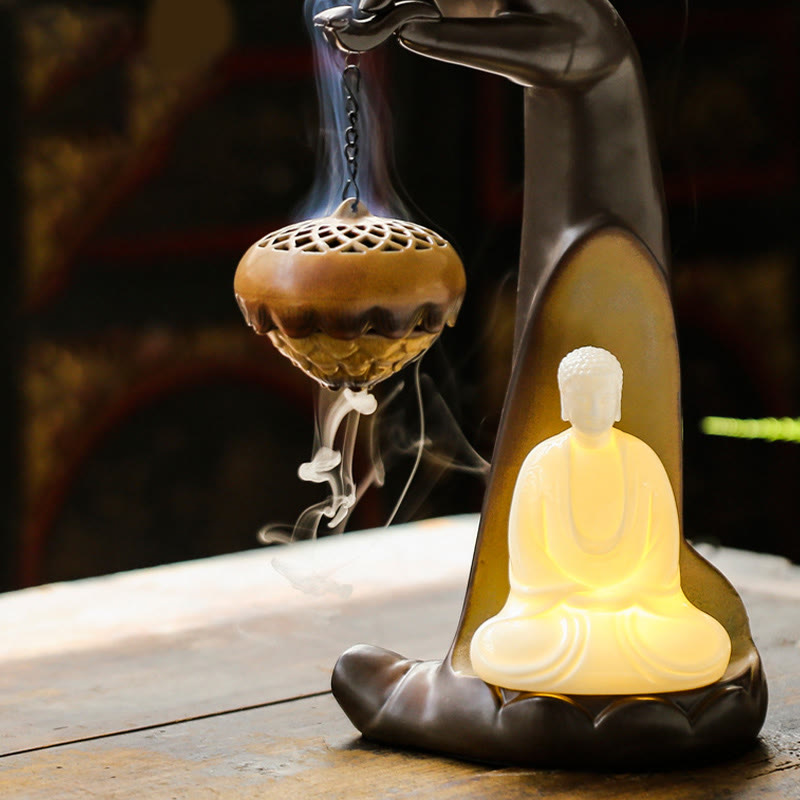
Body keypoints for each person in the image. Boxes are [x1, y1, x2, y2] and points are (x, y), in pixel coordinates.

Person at [470, 346, 731, 694]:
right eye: (582, 397)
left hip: (636, 610)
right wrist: (573, 595)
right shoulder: (542, 463)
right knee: (493, 643)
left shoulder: (642, 460)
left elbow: (661, 556)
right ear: (565, 401)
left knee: (706, 640)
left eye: (602, 396)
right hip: (559, 614)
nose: (593, 407)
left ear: (617, 400)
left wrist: (626, 593)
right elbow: (527, 559)